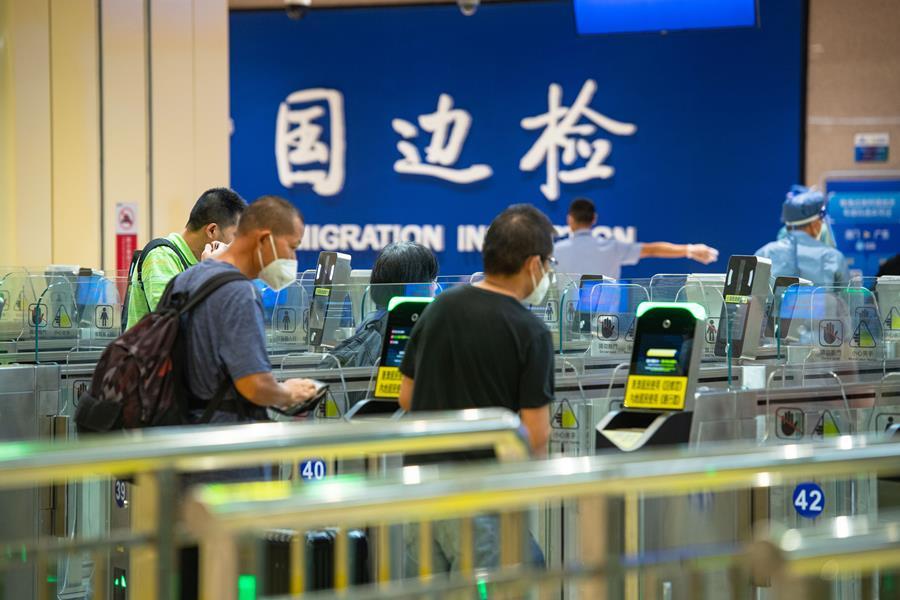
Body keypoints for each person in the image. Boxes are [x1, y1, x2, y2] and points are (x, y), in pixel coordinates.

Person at [398, 204, 553, 574]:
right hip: (483, 499)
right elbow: (534, 435)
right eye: (549, 263)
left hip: (422, 491)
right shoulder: (530, 331)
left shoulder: (440, 307)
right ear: (533, 264)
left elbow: (406, 396)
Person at [125, 187, 246, 328]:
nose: (237, 244)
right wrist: (209, 271)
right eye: (235, 235)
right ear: (212, 230)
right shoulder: (161, 256)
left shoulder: (201, 261)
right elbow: (174, 323)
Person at [325, 241, 438, 369]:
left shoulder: (370, 325)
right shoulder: (414, 335)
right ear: (415, 288)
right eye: (432, 280)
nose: (435, 287)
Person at [553, 197, 719, 278]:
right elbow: (653, 250)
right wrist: (690, 250)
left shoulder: (555, 251)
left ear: (570, 219)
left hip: (566, 323)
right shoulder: (612, 247)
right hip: (606, 324)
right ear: (594, 219)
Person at [755, 186, 850, 287]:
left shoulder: (764, 253)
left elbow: (753, 294)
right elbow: (847, 296)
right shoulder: (833, 257)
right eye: (821, 221)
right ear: (815, 224)